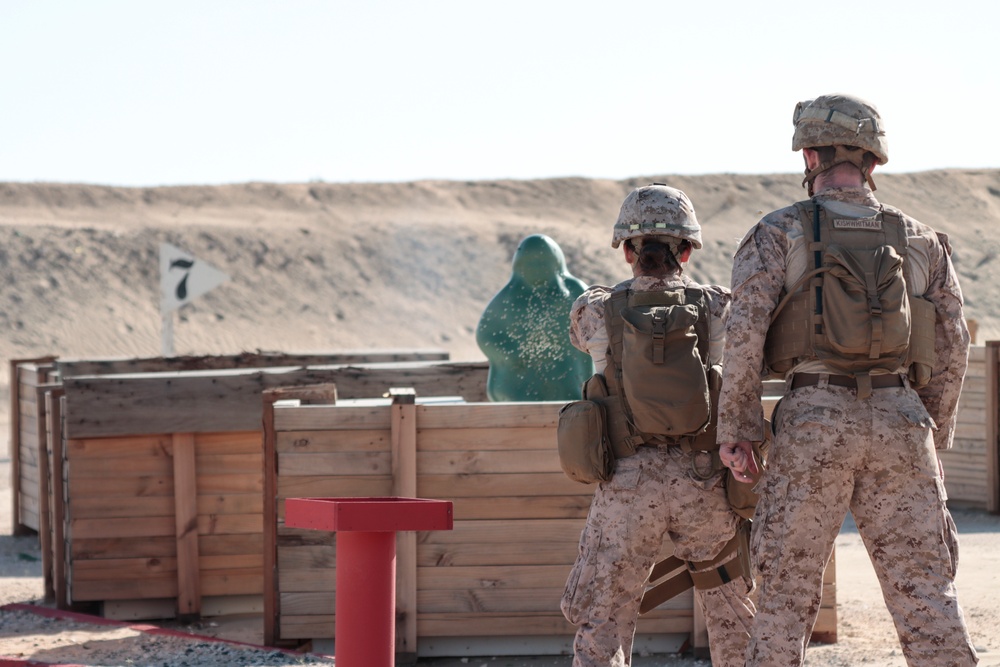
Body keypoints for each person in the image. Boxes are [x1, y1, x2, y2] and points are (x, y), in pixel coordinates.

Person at [719, 93, 979, 666]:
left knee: (784, 599)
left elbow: (743, 334)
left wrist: (738, 430)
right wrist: (930, 433)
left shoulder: (776, 232)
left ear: (809, 156)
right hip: (902, 421)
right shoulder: (922, 239)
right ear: (874, 161)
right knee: (927, 595)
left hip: (813, 419)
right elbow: (954, 344)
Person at [560, 184, 755, 667]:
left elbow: (582, 342)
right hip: (703, 478)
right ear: (686, 250)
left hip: (627, 483)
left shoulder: (593, 309)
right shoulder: (718, 306)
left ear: (627, 250)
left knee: (604, 616)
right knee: (733, 613)